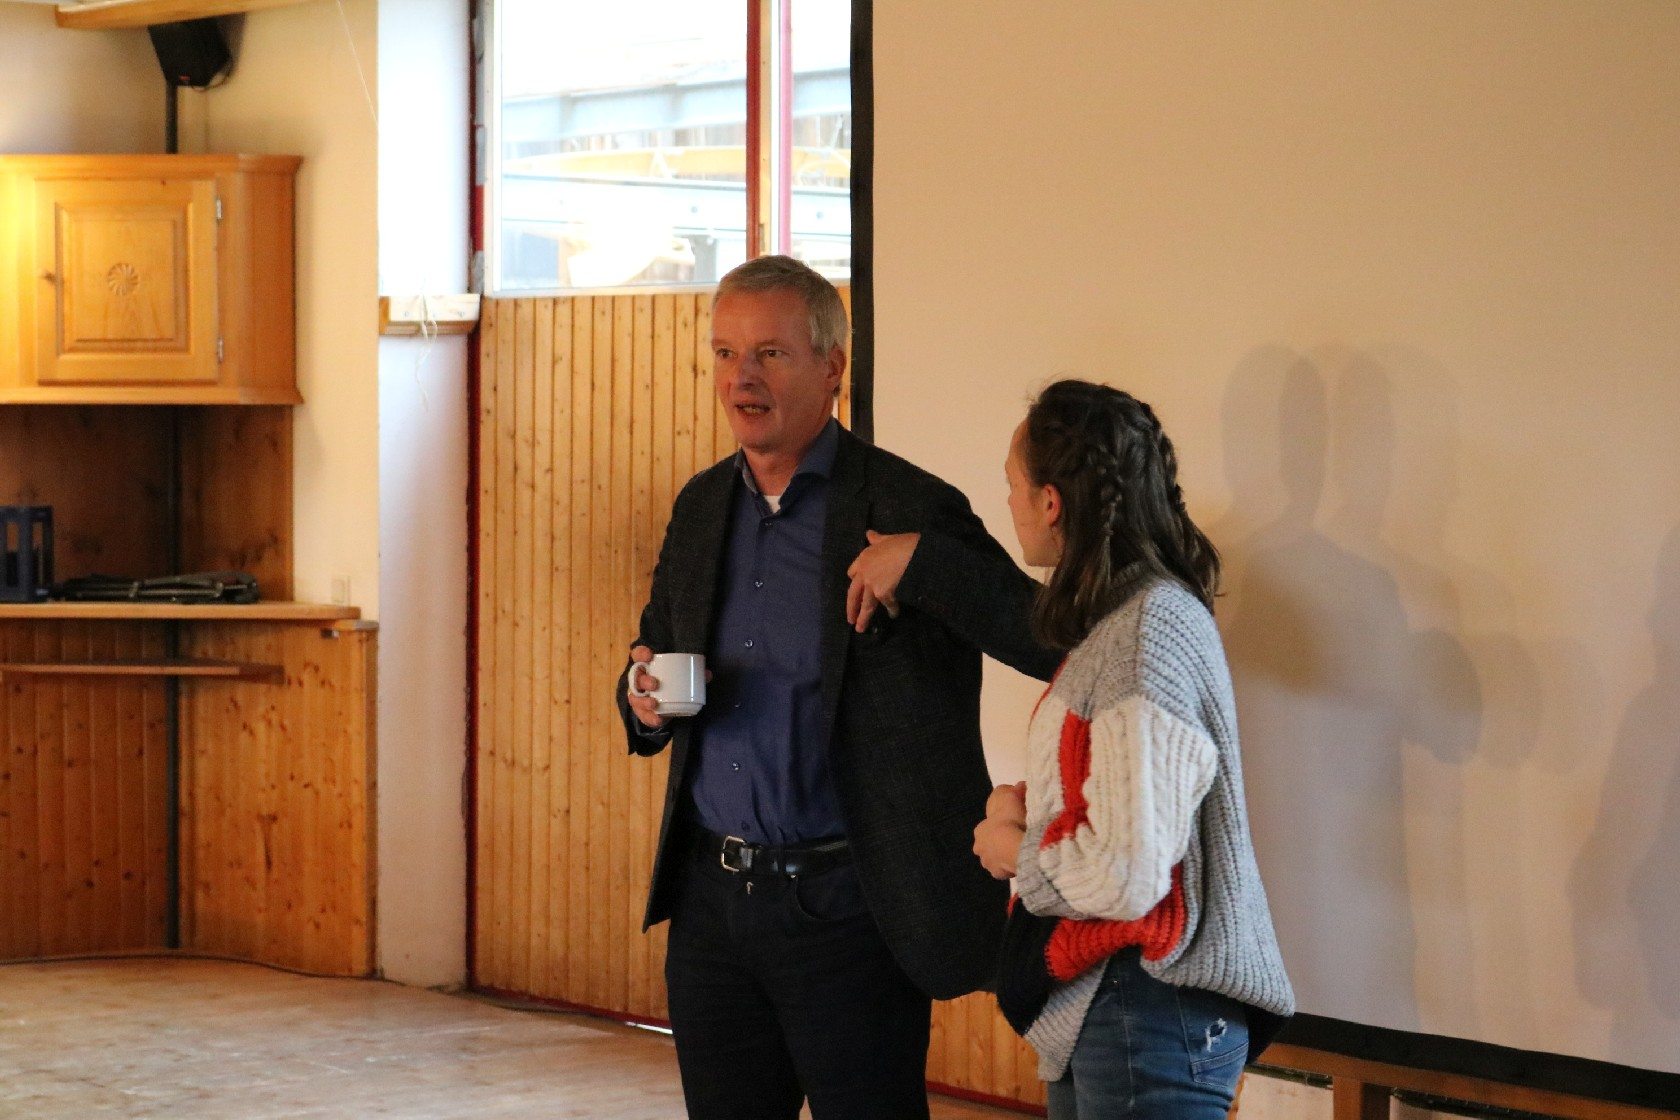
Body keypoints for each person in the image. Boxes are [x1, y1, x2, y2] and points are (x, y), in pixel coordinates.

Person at [615, 255, 1059, 1120]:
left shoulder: (908, 504)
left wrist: (927, 564)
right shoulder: (701, 507)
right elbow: (653, 652)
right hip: (713, 908)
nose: (741, 377)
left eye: (770, 354)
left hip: (852, 909)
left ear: (832, 368)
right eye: (725, 353)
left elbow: (1046, 641)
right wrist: (641, 700)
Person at [971, 379, 1295, 1119]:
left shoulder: (1146, 632)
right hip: (1120, 1007)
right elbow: (1122, 808)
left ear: (1051, 502)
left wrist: (1015, 851)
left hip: (1147, 1008)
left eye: (1013, 484)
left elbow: (1126, 870)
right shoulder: (1122, 625)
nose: (1009, 503)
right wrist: (1026, 807)